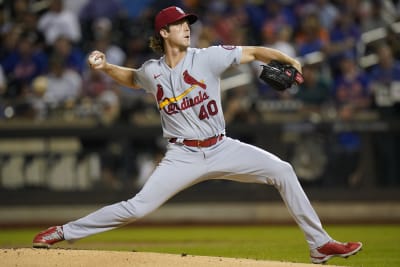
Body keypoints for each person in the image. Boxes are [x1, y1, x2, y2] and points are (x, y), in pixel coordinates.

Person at [32, 6, 362, 264]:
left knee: (283, 170)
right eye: (179, 24)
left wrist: (288, 59)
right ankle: (62, 232)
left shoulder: (208, 57)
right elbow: (133, 78)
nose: (187, 27)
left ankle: (319, 245)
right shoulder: (153, 71)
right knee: (136, 208)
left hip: (221, 146)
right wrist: (105, 68)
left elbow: (255, 52)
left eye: (187, 22)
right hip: (182, 156)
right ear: (163, 32)